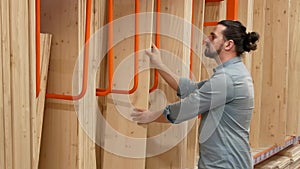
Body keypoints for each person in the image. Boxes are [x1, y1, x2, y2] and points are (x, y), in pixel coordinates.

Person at [131, 20, 259, 169]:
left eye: (213, 37)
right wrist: (159, 64)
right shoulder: (233, 74)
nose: (206, 40)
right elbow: (191, 89)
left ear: (228, 44)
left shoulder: (227, 79)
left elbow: (187, 107)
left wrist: (150, 116)